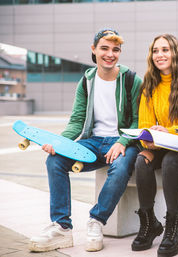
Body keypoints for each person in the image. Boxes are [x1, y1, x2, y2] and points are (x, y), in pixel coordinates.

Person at [28, 29, 143, 252]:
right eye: (104, 48)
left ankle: (96, 221)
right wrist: (59, 142)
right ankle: (62, 227)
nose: (110, 54)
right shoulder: (86, 82)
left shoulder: (131, 80)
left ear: (120, 52)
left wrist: (122, 142)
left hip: (122, 141)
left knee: (120, 168)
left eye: (115, 49)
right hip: (93, 141)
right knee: (55, 161)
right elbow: (77, 120)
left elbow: (139, 120)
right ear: (94, 50)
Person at [130, 34, 178, 257]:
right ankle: (148, 223)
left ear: (175, 53)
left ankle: (172, 228)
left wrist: (170, 131)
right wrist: (149, 141)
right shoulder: (149, 85)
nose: (160, 55)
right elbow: (145, 126)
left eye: (165, 50)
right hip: (161, 144)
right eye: (156, 51)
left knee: (171, 162)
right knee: (141, 160)